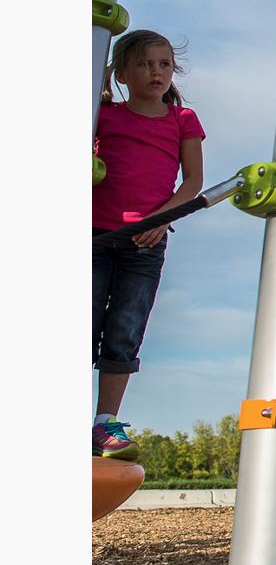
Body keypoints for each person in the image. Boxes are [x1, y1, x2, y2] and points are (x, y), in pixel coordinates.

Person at [92, 30, 205, 459]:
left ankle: (105, 426)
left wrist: (162, 219)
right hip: (94, 235)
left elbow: (192, 181)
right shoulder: (103, 114)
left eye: (163, 64)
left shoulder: (182, 119)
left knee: (124, 331)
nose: (155, 72)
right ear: (122, 72)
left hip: (146, 243)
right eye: (143, 64)